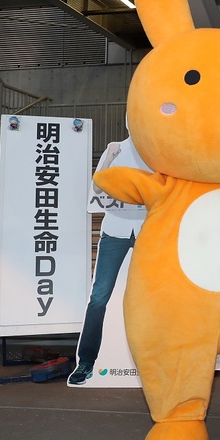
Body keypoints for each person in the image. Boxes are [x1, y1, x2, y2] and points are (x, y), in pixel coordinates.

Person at [69, 137, 149, 385]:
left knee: (155, 298)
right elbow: (96, 189)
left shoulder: (156, 148)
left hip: (149, 230)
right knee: (99, 296)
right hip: (115, 229)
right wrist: (111, 157)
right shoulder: (115, 148)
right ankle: (86, 362)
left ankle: (158, 360)